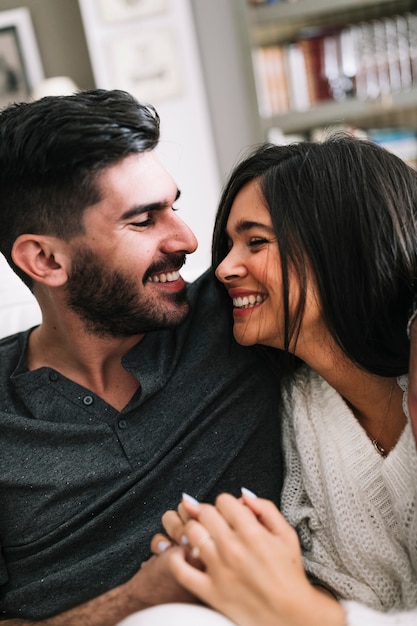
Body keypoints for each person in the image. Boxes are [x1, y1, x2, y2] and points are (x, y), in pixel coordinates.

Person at [0, 89, 285, 623]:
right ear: (43, 258)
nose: (190, 240)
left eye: (173, 206)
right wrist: (136, 601)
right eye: (143, 220)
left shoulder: (239, 316)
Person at [148, 137, 417, 625]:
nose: (224, 268)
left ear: (341, 244)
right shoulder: (300, 405)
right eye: (229, 244)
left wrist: (306, 610)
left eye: (256, 241)